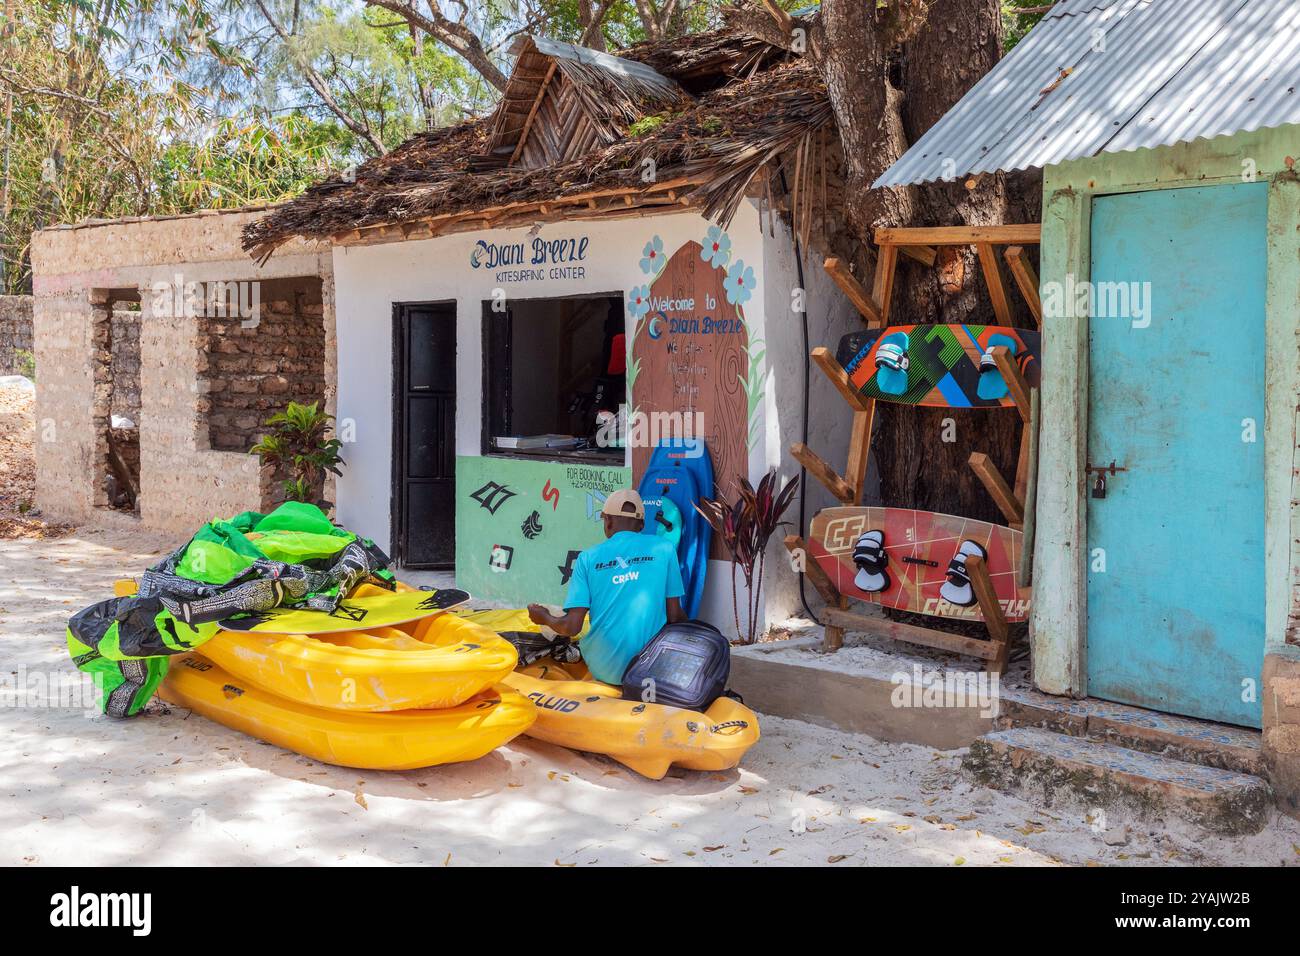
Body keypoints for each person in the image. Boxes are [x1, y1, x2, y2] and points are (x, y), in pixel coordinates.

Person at [528, 489, 684, 684]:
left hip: (605, 671)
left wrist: (543, 617)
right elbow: (675, 616)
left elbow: (571, 627)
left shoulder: (587, 558)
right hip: (650, 670)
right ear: (642, 524)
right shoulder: (664, 548)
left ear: (608, 521)